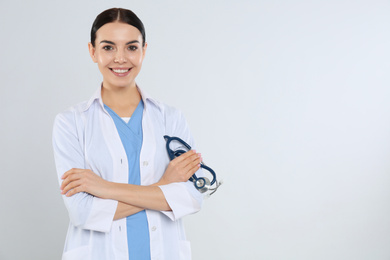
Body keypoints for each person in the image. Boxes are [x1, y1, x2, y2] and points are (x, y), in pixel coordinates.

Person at [52, 7, 204, 260]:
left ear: (144, 51)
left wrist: (102, 187)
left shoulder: (171, 118)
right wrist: (164, 187)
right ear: (92, 51)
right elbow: (82, 213)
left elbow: (191, 197)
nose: (120, 58)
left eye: (132, 47)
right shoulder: (70, 123)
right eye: (108, 47)